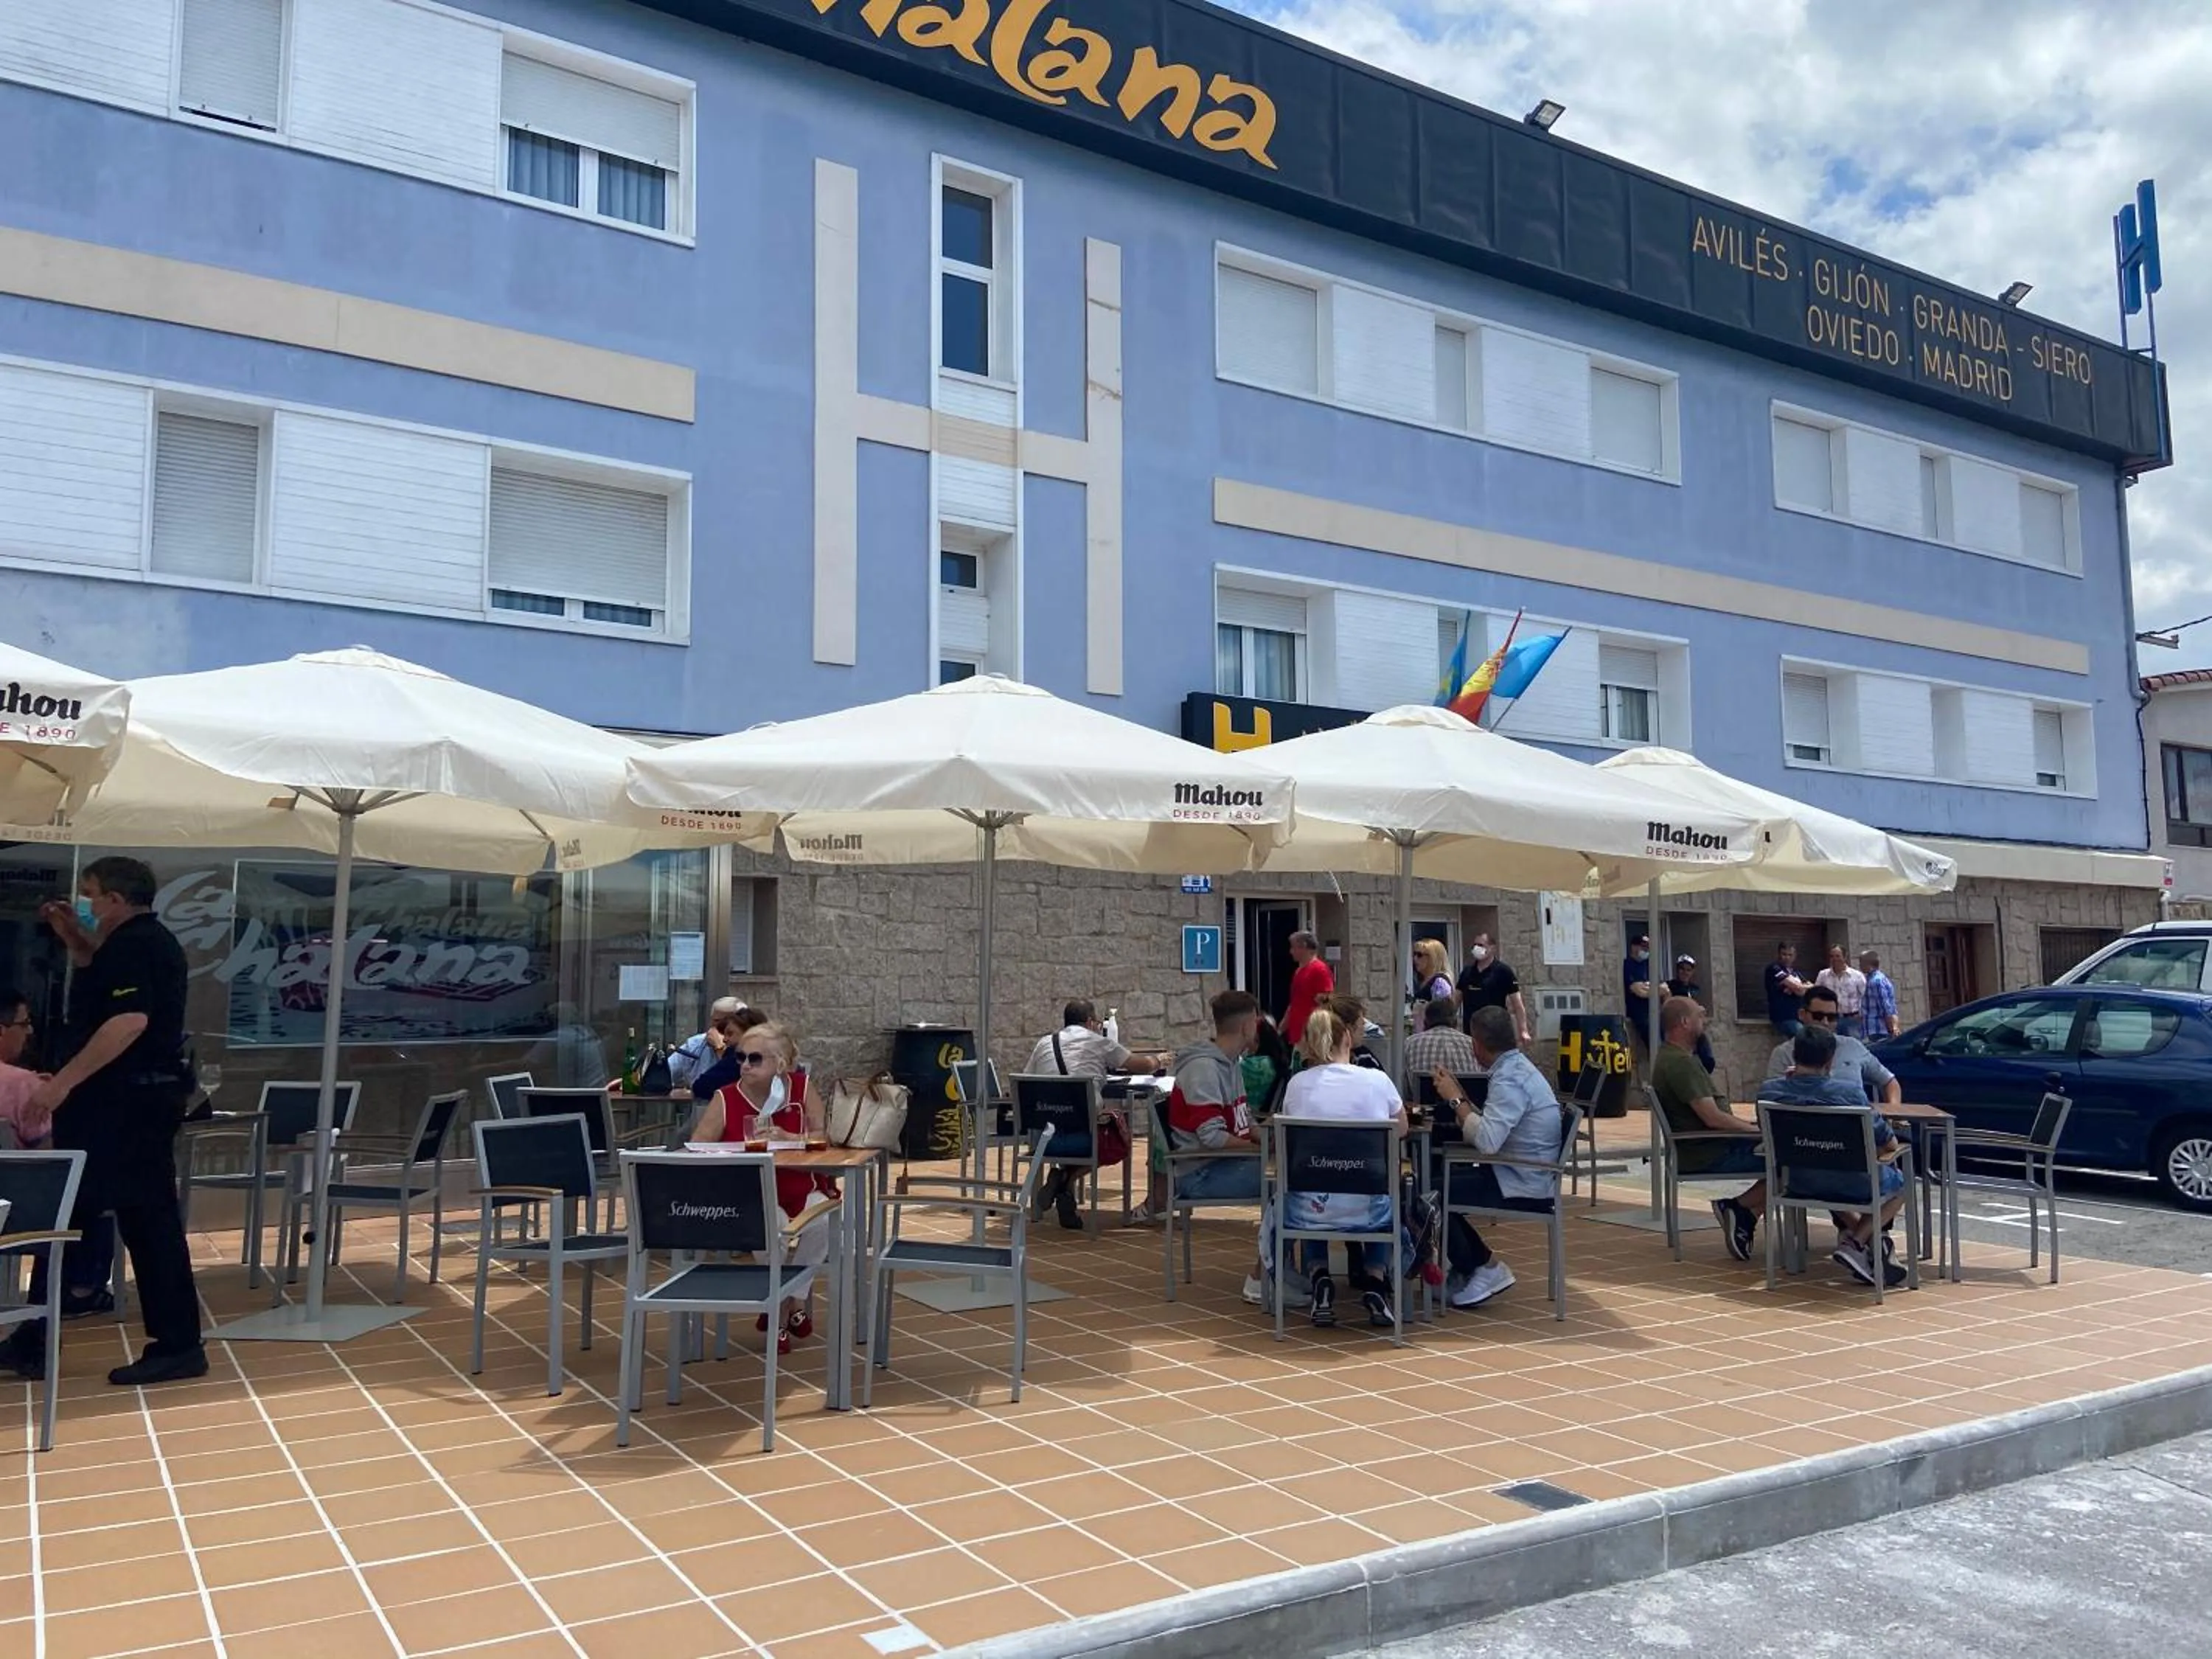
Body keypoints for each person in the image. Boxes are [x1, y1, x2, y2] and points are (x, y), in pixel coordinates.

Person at [2, 859, 205, 1386]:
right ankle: (35, 1337)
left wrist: (60, 1083)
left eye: (90, 895)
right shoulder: (128, 945)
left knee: (140, 1221)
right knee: (75, 1216)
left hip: (127, 1110)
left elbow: (128, 1021)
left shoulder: (141, 945)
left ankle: (177, 1344)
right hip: (118, 1108)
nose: (85, 903)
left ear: (116, 899)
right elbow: (109, 987)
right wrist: (75, 940)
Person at [692, 1023, 830, 1353]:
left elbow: (824, 1139)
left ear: (780, 1063)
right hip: (751, 1192)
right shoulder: (726, 1097)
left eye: (755, 1059)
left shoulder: (801, 1088)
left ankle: (788, 1303)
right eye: (741, 1057)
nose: (744, 1065)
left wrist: (791, 1139)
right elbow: (697, 1146)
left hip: (800, 1183)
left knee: (824, 1224)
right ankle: (784, 1313)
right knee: (774, 1231)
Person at [1279, 1005, 1414, 1330]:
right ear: (1348, 1041)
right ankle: (1376, 1282)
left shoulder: (1297, 1084)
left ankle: (1320, 1276)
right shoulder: (1377, 1080)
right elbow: (1402, 1129)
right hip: (1369, 1209)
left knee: (1311, 1183)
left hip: (1308, 1213)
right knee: (1386, 1188)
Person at [1430, 1006, 1563, 1308]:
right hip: (1519, 1172)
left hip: (1523, 1182)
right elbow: (1493, 1128)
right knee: (1435, 1185)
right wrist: (1461, 1097)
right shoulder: (1515, 1069)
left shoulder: (1510, 1080)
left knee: (1430, 1194)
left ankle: (1484, 1267)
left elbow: (1488, 1142)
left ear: (1476, 1043)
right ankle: (1471, 1268)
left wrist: (1455, 1100)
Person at [1758, 1023, 1909, 1289]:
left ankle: (1867, 1244)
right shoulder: (1849, 1094)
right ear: (1830, 1061)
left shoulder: (1769, 1092)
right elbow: (1889, 1144)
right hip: (1852, 1183)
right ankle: (1858, 1242)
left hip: (1797, 1182)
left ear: (1795, 1057)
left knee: (1824, 1171)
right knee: (1901, 1183)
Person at [0, 989, 117, 1323]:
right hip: (16, 1214)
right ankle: (77, 1290)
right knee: (92, 1190)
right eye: (24, 1023)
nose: (31, 1032)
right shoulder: (23, 1085)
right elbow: (49, 1159)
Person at [1152, 991, 1272, 1301]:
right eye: (1256, 1021)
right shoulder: (1204, 1069)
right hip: (1200, 1172)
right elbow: (1213, 1137)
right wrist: (1263, 1152)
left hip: (1221, 1163)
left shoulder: (1230, 1064)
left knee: (1291, 1170)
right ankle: (1263, 1278)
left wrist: (1274, 1139)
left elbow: (1243, 1121)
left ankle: (1278, 1270)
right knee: (1288, 1179)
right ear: (1248, 1025)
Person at [1649, 995, 1767, 1264]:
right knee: (1791, 1159)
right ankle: (1737, 1207)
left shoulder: (1672, 1058)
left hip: (1708, 1145)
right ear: (1684, 1022)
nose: (1704, 1021)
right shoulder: (1680, 1064)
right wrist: (1757, 1132)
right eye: (1700, 1016)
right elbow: (1713, 1118)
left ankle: (1744, 1215)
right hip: (1709, 1151)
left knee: (1788, 1154)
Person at [1764, 986, 1901, 1107]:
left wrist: (1894, 1114)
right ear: (1802, 1015)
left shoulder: (1852, 1047)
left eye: (1831, 1017)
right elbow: (1774, 1100)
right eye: (1818, 1016)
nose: (1825, 1022)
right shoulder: (1782, 1053)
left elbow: (1889, 1081)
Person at [1023, 999, 1166, 1079]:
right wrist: (1159, 1060)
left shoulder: (1044, 1043)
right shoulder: (1099, 1042)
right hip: (1083, 1118)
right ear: (1090, 1023)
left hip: (1045, 1117)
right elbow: (1143, 1065)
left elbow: (1026, 1077)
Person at [1456, 933, 1531, 1046]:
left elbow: (1518, 1005)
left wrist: (1523, 1030)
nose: (1477, 948)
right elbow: (1455, 1001)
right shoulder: (1467, 972)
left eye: (1481, 945)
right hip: (1471, 1033)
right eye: (1475, 945)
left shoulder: (1503, 971)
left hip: (1495, 1031)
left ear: (1492, 948)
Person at [687, 1004, 771, 1102]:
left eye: (730, 1034)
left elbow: (702, 1087)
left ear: (749, 1033)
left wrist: (721, 1051)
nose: (725, 1039)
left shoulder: (737, 1057)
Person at [667, 996, 749, 1092]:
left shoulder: (750, 1047)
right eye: (716, 1021)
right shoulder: (696, 1044)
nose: (720, 1027)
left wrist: (721, 1049)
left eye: (726, 1023)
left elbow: (735, 1081)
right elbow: (668, 1072)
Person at [1403, 997, 1476, 1095]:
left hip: (1421, 1106)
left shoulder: (1410, 1043)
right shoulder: (1471, 1043)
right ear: (1455, 1020)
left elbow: (1404, 1086)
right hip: (1463, 1107)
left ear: (1426, 1020)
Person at [1281, 931, 1334, 1054]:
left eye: (1293, 947)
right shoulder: (1299, 971)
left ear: (1304, 946)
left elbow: (1326, 1001)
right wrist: (1281, 1028)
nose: (1291, 952)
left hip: (1311, 1036)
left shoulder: (1319, 970)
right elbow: (1294, 1003)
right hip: (1298, 1035)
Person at [1663, 955, 1717, 1073]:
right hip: (1679, 1026)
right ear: (1677, 970)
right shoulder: (1670, 986)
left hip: (1693, 1025)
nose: (1685, 972)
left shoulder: (1695, 989)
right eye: (1682, 969)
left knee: (1706, 1057)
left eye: (1688, 970)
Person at [1815, 945, 1869, 1038]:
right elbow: (1816, 995)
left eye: (1838, 956)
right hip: (1831, 1020)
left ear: (1845, 957)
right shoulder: (1823, 975)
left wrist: (1862, 1014)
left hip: (1852, 1020)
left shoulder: (1857, 976)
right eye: (1832, 956)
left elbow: (1866, 997)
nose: (1835, 959)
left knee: (1853, 1048)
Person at [1764, 942, 1812, 1038]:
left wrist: (1798, 988)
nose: (1787, 957)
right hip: (1784, 1018)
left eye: (1790, 955)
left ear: (1795, 956)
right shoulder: (1774, 968)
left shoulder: (1795, 973)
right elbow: (1799, 988)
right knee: (1805, 1038)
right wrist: (1798, 988)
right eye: (1784, 954)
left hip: (1798, 1017)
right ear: (1778, 954)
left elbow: (1811, 987)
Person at [1622, 934, 1656, 1065]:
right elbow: (1638, 991)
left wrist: (1648, 989)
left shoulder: (1649, 965)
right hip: (1638, 1013)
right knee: (1651, 1038)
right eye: (1644, 946)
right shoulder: (1627, 965)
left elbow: (1664, 988)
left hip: (1652, 1010)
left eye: (1648, 947)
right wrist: (1653, 990)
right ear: (1634, 947)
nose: (1646, 950)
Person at [1860, 950, 1901, 1040]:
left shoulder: (1876, 981)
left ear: (1868, 964)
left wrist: (1892, 1029)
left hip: (1878, 1030)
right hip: (1873, 1030)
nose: (1860, 966)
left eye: (1861, 962)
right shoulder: (1872, 979)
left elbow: (1886, 1008)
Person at [1412, 939, 1454, 1007]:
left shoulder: (1440, 982)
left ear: (1433, 957)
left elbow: (1442, 1012)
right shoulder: (1423, 981)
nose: (1415, 958)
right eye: (1414, 954)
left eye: (1419, 955)